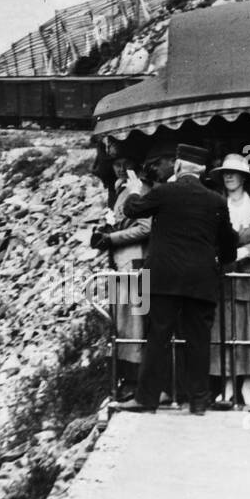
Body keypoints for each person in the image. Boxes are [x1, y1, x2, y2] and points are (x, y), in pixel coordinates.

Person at [118, 143, 239, 415]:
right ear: (204, 171)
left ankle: (147, 400)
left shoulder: (164, 192)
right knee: (199, 340)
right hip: (201, 279)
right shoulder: (216, 201)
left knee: (158, 338)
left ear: (178, 167)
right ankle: (198, 401)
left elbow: (132, 210)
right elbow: (229, 243)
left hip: (163, 278)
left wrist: (135, 190)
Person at [208, 153, 250, 407]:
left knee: (247, 330)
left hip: (248, 277)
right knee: (222, 329)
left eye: (234, 173)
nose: (229, 177)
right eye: (225, 173)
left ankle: (247, 385)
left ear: (244, 177)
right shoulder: (215, 204)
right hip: (221, 278)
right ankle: (226, 385)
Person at [91, 156, 151, 386]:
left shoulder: (142, 190)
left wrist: (112, 237)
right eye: (116, 164)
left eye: (125, 163)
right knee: (124, 320)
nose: (120, 168)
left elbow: (145, 228)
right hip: (123, 261)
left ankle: (136, 379)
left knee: (135, 320)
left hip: (136, 260)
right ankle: (127, 376)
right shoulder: (122, 189)